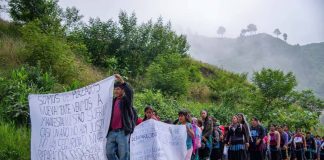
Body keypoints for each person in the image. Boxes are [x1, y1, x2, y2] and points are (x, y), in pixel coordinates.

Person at [106, 74, 137, 160]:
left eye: (118, 89)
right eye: (115, 89)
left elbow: (130, 93)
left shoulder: (126, 101)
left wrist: (122, 81)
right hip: (112, 132)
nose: (116, 91)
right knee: (109, 153)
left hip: (122, 132)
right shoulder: (112, 101)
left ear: (123, 91)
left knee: (124, 155)